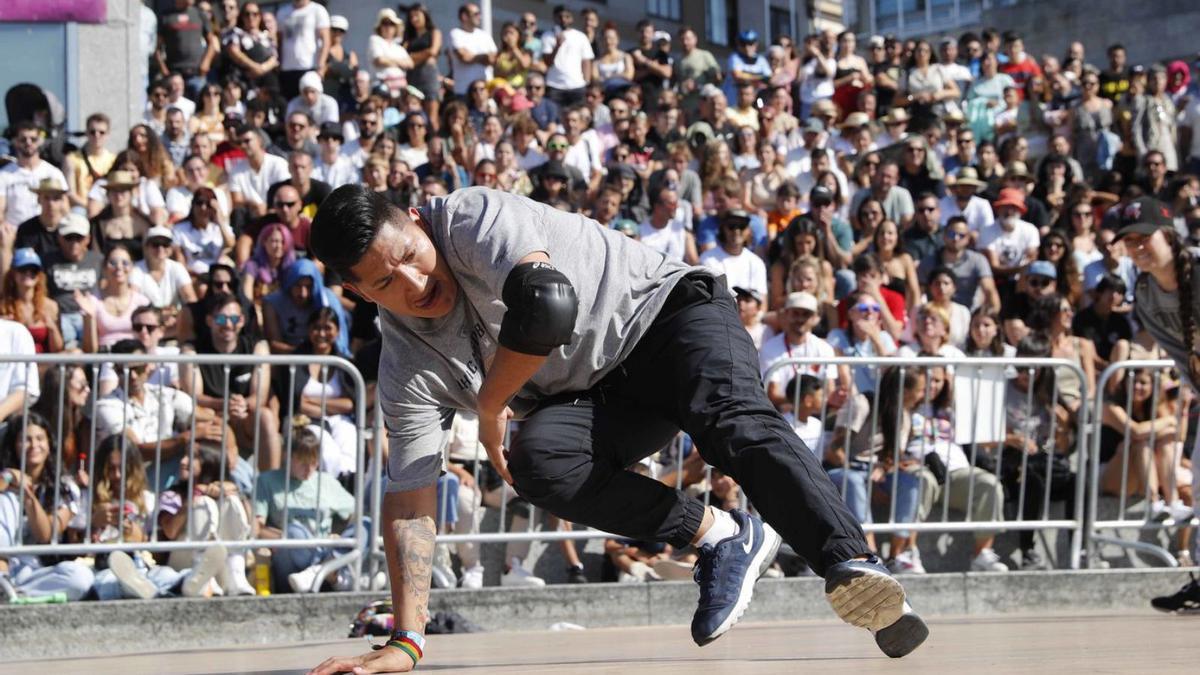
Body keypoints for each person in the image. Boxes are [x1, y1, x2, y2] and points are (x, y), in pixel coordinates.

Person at [306, 186, 928, 674]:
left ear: (417, 220)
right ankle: (720, 535)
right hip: (604, 393)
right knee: (541, 463)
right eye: (385, 284)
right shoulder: (405, 364)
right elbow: (412, 499)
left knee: (728, 421)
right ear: (354, 291)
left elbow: (546, 303)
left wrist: (492, 404)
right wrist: (406, 641)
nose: (417, 286)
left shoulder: (470, 218)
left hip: (669, 317)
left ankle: (852, 564)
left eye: (412, 257)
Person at [1104, 197, 1200, 613]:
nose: (1137, 247)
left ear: (1169, 235)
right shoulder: (1144, 292)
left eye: (1145, 237)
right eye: (1129, 241)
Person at [0, 412, 94, 602]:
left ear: (49, 443)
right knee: (7, 499)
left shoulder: (66, 487)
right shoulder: (5, 478)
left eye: (39, 439)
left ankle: (14, 593)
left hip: (37, 572)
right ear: (14, 446)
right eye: (25, 440)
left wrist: (28, 496)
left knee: (81, 577)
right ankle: (3, 580)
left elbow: (46, 534)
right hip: (5, 566)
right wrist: (9, 477)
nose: (34, 445)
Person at [254, 422, 358, 593]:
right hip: (290, 559)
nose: (309, 469)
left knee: (366, 524)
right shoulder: (266, 481)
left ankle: (321, 570)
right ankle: (327, 571)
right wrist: (287, 537)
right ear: (287, 456)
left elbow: (355, 513)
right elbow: (257, 528)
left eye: (314, 463)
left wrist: (338, 535)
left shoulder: (327, 481)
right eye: (303, 462)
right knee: (295, 532)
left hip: (325, 551)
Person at [182, 293, 280, 471]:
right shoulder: (192, 350)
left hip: (243, 416)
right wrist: (225, 404)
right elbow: (193, 397)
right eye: (221, 319)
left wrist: (241, 404)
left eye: (234, 319)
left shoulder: (257, 347)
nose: (228, 325)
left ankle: (270, 487)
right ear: (209, 320)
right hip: (211, 417)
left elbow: (259, 397)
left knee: (265, 416)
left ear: (242, 321)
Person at [0, 122, 69, 232]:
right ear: (15, 142)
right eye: (23, 139)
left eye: (33, 139)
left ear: (40, 141)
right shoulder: (4, 175)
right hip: (15, 234)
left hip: (45, 234)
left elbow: (64, 209)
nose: (28, 143)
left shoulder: (53, 173)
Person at [275, 0, 330, 100]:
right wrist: (279, 62)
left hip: (309, 66)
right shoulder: (282, 12)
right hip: (287, 68)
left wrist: (321, 65)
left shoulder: (317, 10)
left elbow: (326, 40)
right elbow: (279, 40)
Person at [64, 113, 117, 210]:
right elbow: (70, 194)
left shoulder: (114, 160)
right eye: (93, 132)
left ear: (108, 134)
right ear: (87, 133)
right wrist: (91, 208)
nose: (97, 135)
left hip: (106, 211)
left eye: (102, 132)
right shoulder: (71, 159)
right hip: (80, 209)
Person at [447, 3, 496, 98]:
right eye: (476, 14)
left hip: (485, 92)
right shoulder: (455, 34)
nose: (480, 17)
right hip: (463, 91)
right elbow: (464, 57)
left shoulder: (485, 35)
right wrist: (484, 57)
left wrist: (473, 57)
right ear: (464, 16)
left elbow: (493, 59)